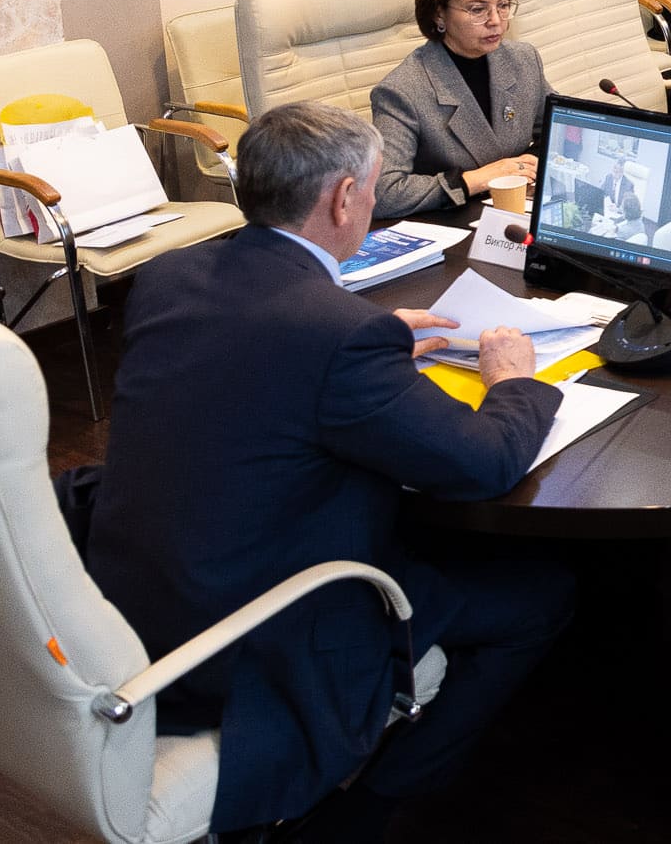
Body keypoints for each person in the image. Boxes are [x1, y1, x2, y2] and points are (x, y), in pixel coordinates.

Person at [79, 103, 572, 839]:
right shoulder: (337, 336)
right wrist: (512, 382)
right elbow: (485, 462)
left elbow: (249, 368)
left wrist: (368, 340)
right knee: (540, 594)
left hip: (137, 601)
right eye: (370, 187)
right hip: (251, 642)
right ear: (344, 198)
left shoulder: (168, 277)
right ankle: (364, 813)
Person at [369, 0, 550, 217]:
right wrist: (474, 180)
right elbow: (383, 193)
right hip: (453, 221)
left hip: (516, 209)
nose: (496, 21)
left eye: (503, 5)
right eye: (478, 10)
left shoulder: (522, 59)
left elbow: (557, 131)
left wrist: (530, 163)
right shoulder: (402, 91)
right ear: (439, 14)